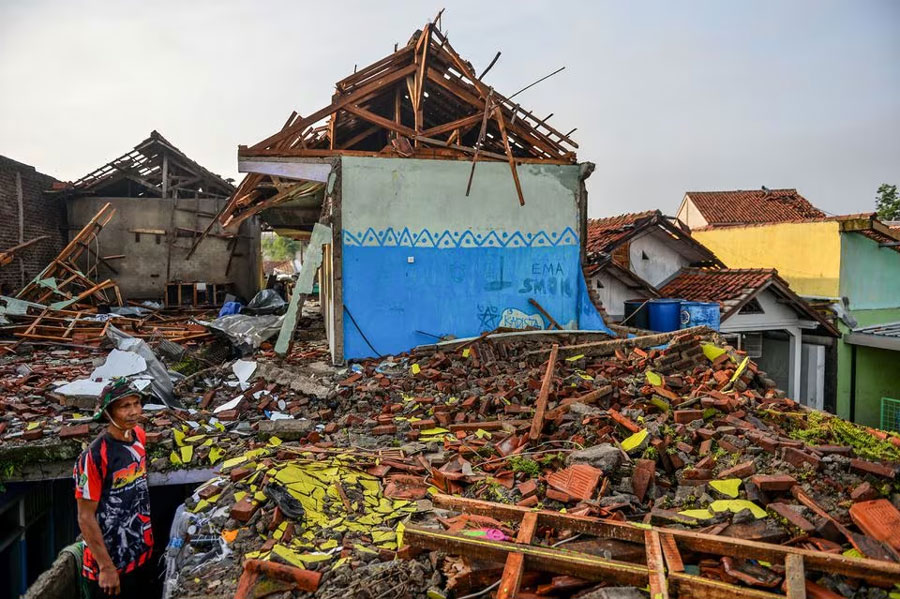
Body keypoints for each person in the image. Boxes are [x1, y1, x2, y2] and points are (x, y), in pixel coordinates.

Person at [73, 378, 154, 597]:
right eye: (125, 406)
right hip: (109, 568)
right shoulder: (95, 457)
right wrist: (106, 567)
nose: (134, 412)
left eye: (136, 403)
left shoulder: (139, 437)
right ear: (108, 413)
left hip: (140, 554)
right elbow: (85, 517)